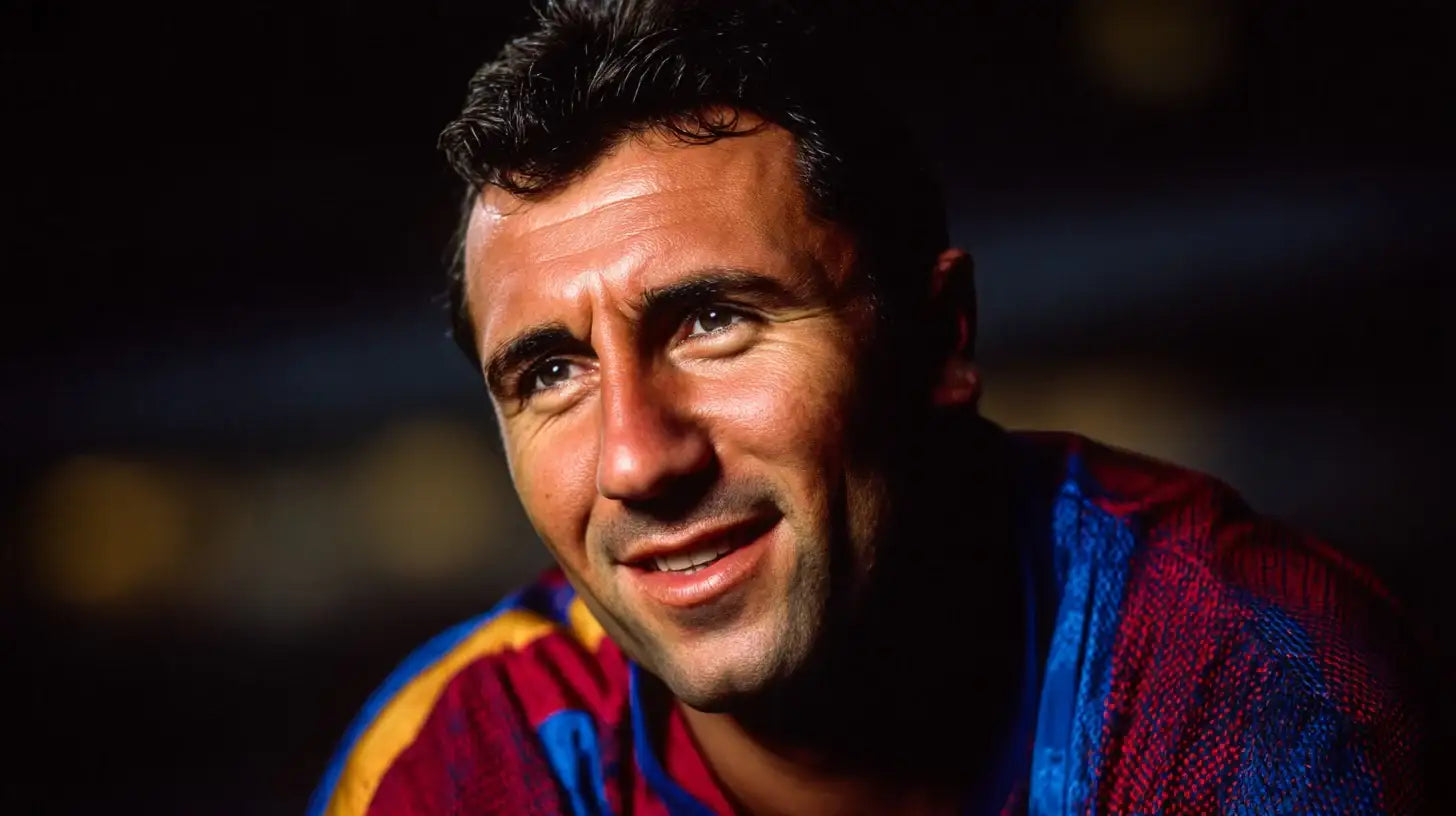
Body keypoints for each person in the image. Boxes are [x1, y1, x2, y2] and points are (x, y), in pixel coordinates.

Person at [309, 1, 1435, 813]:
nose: (637, 461)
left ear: (939, 339)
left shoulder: (1246, 689)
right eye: (552, 374)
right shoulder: (462, 767)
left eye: (714, 321)